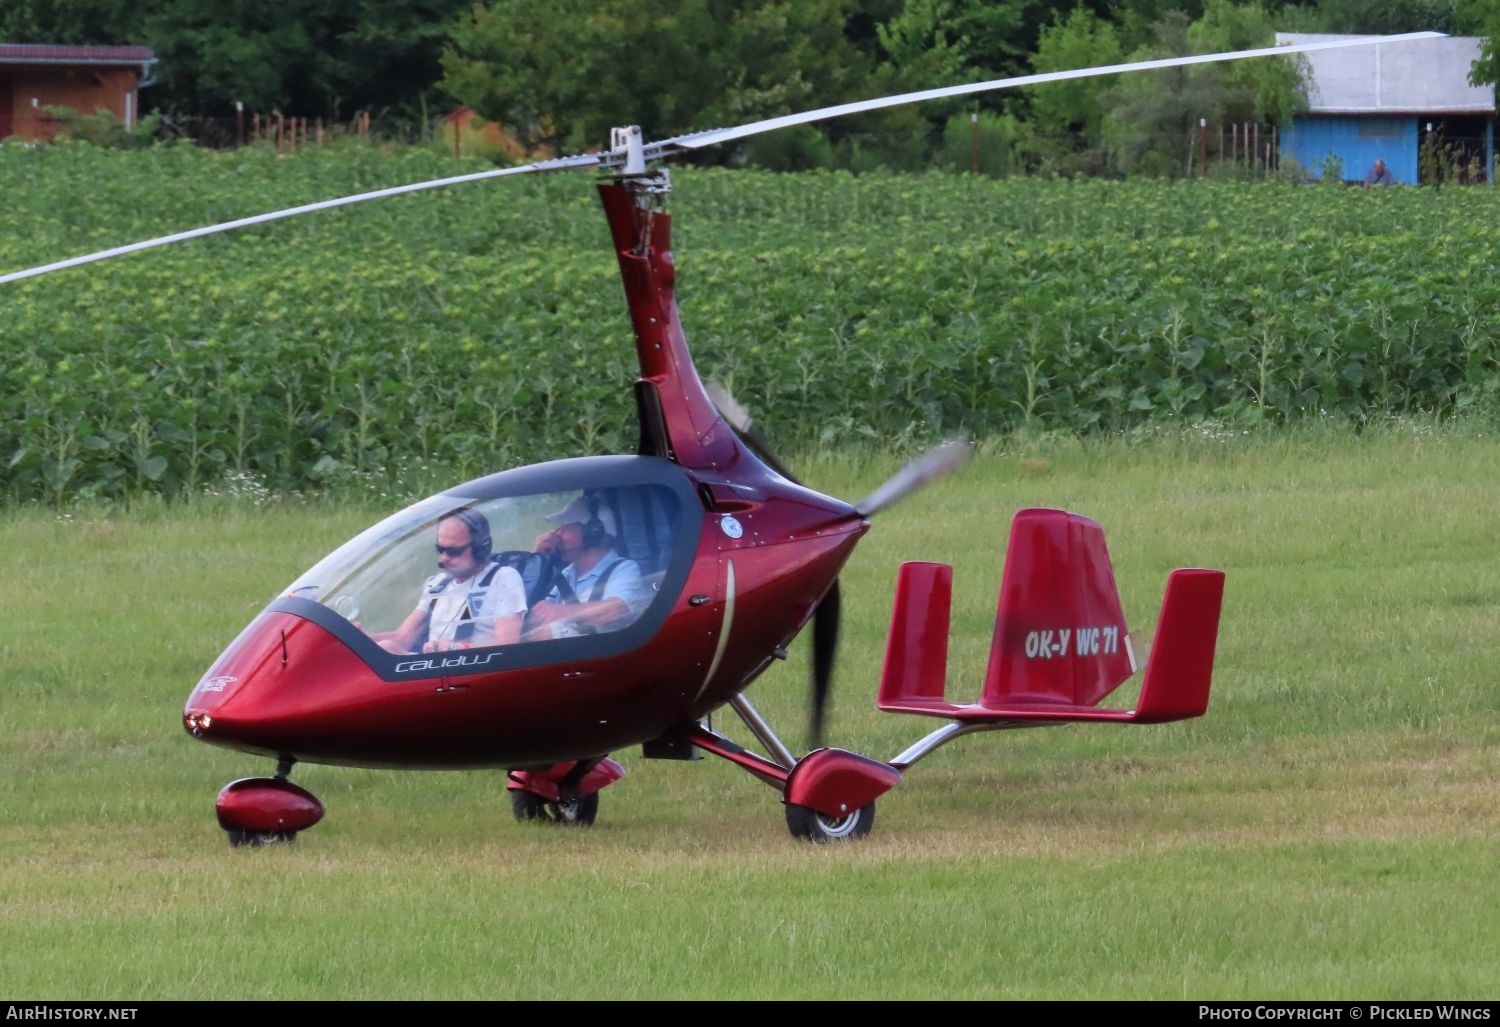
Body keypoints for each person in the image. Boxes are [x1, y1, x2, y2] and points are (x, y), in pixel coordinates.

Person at [370, 507, 526, 654]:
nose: (443, 558)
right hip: (433, 671)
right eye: (440, 549)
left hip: (475, 672)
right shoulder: (437, 584)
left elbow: (508, 646)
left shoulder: (503, 578)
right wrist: (362, 637)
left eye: (453, 551)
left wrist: (457, 648)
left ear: (481, 548)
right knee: (388, 647)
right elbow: (403, 638)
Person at [524, 493, 648, 640]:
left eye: (564, 528)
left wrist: (560, 612)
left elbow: (617, 610)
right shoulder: (567, 573)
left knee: (550, 632)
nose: (555, 535)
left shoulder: (624, 568)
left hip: (609, 654)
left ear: (593, 533)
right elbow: (529, 613)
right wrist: (537, 562)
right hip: (574, 654)